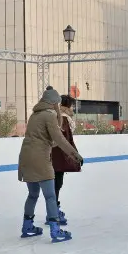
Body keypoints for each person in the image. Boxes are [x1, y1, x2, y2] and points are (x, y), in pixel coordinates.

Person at [19, 86, 83, 243]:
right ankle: (55, 230)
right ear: (54, 102)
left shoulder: (35, 115)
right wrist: (75, 154)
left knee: (33, 195)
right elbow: (60, 139)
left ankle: (27, 226)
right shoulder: (50, 115)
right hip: (40, 158)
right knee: (50, 196)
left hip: (26, 157)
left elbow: (46, 139)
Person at [51, 94, 81, 225]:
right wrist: (75, 154)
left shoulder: (57, 116)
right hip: (59, 155)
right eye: (72, 105)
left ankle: (53, 211)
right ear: (69, 105)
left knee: (55, 184)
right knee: (56, 184)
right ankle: (54, 212)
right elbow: (66, 140)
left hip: (55, 154)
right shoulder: (63, 118)